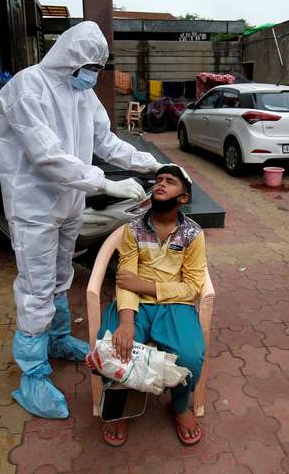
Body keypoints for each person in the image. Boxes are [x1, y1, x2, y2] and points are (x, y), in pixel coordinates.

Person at [0, 21, 162, 419]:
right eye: (89, 64)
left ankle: (56, 339)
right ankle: (33, 373)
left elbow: (106, 141)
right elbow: (47, 156)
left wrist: (150, 163)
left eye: (98, 66)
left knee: (59, 277)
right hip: (34, 206)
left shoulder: (81, 93)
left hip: (70, 203)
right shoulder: (27, 87)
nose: (94, 72)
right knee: (36, 287)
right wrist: (107, 183)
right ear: (69, 56)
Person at [98, 164, 206, 446]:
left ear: (183, 197)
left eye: (170, 182)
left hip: (175, 303)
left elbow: (192, 287)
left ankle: (180, 407)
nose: (161, 184)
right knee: (113, 347)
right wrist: (126, 322)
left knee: (189, 356)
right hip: (134, 303)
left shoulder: (193, 234)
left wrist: (146, 285)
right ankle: (119, 408)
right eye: (158, 180)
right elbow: (125, 280)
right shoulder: (133, 229)